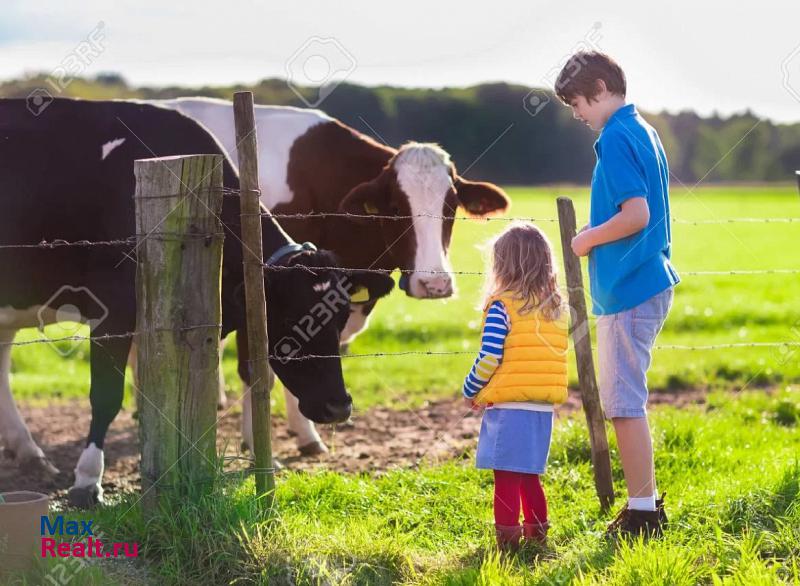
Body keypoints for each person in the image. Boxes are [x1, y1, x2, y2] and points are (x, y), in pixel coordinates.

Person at [555, 51, 680, 538]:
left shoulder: (616, 136)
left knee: (624, 405)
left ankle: (644, 514)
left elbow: (637, 216)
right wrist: (599, 229)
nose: (576, 113)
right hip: (642, 281)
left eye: (577, 102)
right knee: (624, 401)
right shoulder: (642, 129)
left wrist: (586, 239)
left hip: (629, 288)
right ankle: (643, 505)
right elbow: (630, 212)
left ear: (601, 87)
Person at [462, 223, 569, 552]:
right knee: (529, 476)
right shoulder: (553, 308)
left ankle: (507, 545)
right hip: (542, 408)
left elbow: (490, 355)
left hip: (510, 409)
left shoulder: (502, 306)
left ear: (502, 266)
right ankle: (537, 539)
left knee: (506, 479)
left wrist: (471, 389)